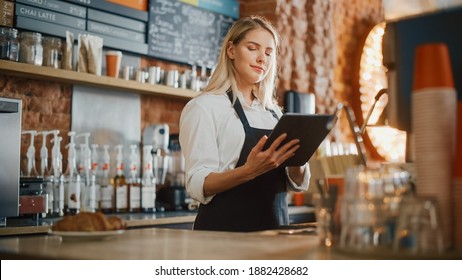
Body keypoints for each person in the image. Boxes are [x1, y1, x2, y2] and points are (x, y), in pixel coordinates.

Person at [179, 15, 310, 232]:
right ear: (231, 50)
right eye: (253, 48)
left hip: (275, 236)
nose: (262, 59)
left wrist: (299, 157)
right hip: (222, 237)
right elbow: (197, 183)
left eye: (269, 53)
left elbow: (295, 183)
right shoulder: (205, 107)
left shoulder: (275, 113)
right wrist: (249, 171)